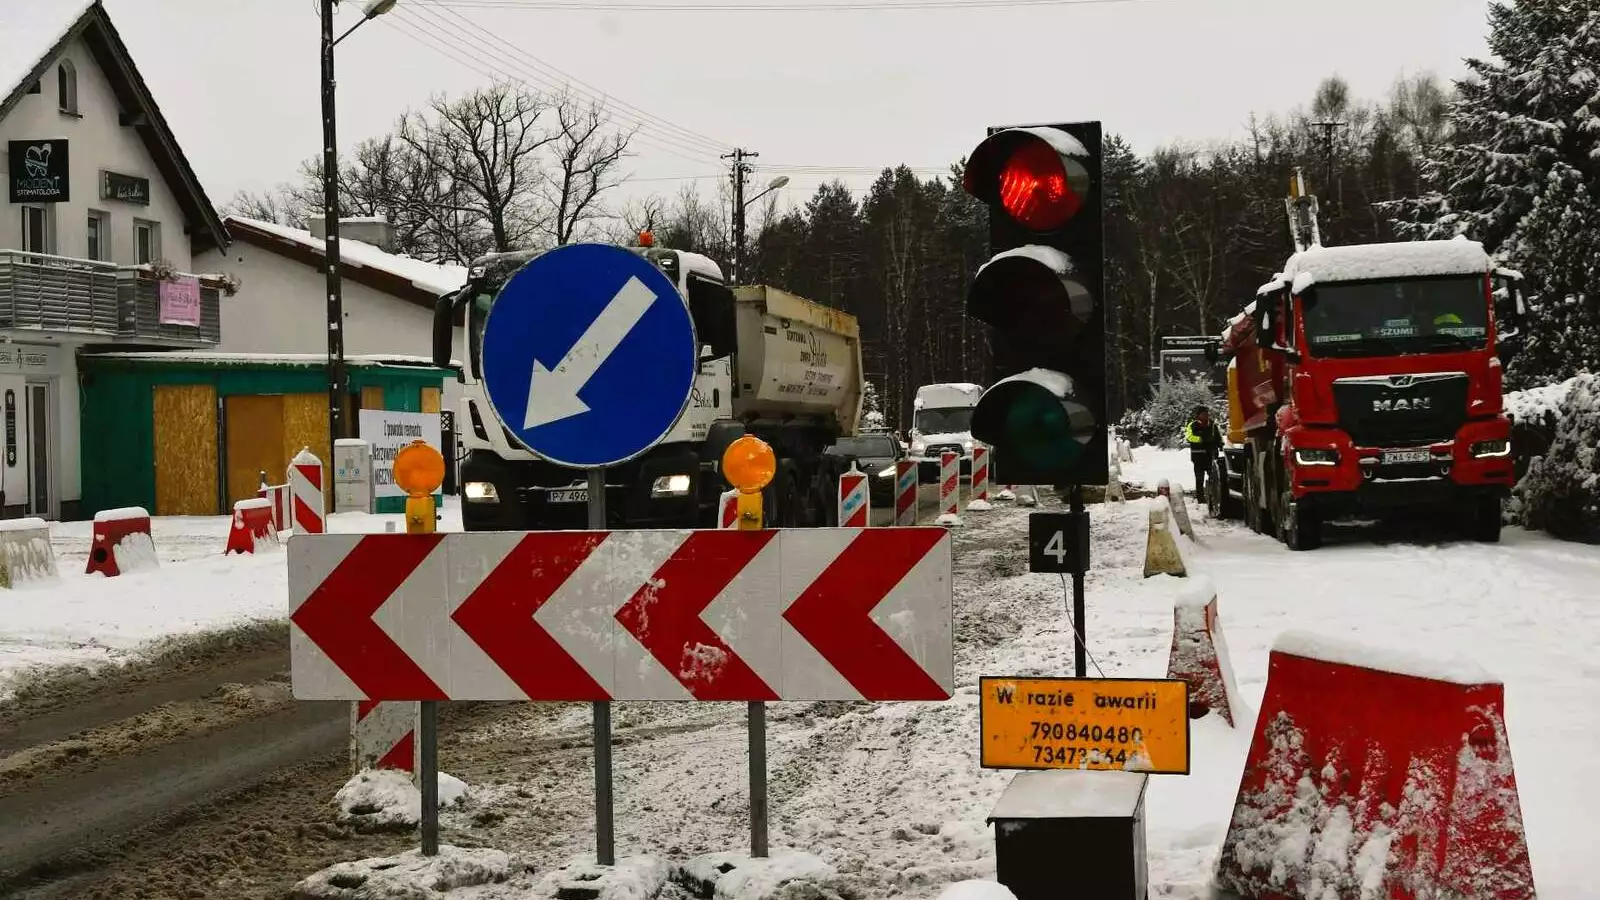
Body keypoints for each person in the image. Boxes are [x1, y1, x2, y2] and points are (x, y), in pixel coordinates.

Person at [1184, 406, 1223, 501]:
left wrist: (1220, 443)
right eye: (1203, 413)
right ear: (1198, 415)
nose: (1206, 415)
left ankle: (1213, 496)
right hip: (1198, 457)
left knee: (1214, 478)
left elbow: (1218, 437)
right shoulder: (1192, 425)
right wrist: (1201, 439)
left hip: (1211, 456)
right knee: (1199, 479)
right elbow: (1189, 437)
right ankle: (1200, 498)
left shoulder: (1213, 426)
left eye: (1207, 413)